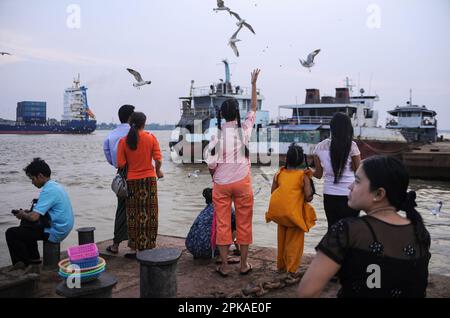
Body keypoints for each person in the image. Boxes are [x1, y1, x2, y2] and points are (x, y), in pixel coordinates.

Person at [298, 155, 431, 298]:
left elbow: (307, 292)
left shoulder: (347, 230)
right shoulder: (420, 232)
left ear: (379, 194)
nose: (349, 186)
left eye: (357, 181)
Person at [205, 69, 260, 277]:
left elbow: (210, 163)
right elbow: (253, 107)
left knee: (223, 223)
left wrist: (215, 179)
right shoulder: (244, 129)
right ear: (237, 113)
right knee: (244, 222)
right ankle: (244, 265)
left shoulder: (216, 134)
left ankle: (225, 266)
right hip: (242, 182)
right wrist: (253, 84)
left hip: (221, 183)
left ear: (221, 114)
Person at [6, 158, 74, 268]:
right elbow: (39, 213)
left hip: (56, 231)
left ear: (40, 176)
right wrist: (27, 214)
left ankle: (22, 265)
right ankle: (33, 260)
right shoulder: (54, 186)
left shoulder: (48, 190)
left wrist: (23, 214)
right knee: (26, 223)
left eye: (32, 179)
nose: (32, 182)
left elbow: (33, 217)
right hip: (61, 226)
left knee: (12, 233)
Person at [117, 112, 163, 258]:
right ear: (144, 123)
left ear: (131, 123)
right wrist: (158, 171)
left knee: (133, 215)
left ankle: (133, 248)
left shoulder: (123, 141)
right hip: (149, 181)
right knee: (150, 214)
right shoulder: (151, 137)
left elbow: (121, 164)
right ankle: (148, 247)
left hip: (132, 181)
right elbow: (158, 159)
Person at [265, 144, 316, 275]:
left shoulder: (279, 173)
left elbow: (273, 192)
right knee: (294, 244)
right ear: (301, 160)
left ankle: (281, 266)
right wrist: (309, 180)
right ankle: (291, 270)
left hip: (280, 214)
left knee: (281, 241)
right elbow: (308, 197)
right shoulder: (303, 176)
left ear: (287, 159)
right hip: (294, 216)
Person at [313, 112, 361, 229]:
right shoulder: (352, 146)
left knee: (332, 229)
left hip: (329, 194)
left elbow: (318, 175)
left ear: (332, 128)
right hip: (350, 194)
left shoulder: (319, 147)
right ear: (348, 128)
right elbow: (359, 171)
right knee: (350, 231)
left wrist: (309, 171)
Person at [103, 104, 135, 254]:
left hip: (121, 173)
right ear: (130, 117)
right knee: (137, 208)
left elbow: (109, 157)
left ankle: (116, 245)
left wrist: (117, 164)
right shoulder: (135, 132)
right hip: (136, 171)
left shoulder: (111, 135)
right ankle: (135, 245)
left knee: (121, 208)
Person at [185, 188, 239, 259]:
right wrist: (238, 249)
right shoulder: (226, 207)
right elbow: (236, 226)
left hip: (191, 247)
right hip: (208, 250)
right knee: (235, 224)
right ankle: (223, 254)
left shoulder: (207, 209)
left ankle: (202, 252)